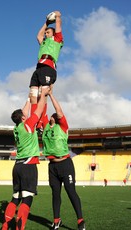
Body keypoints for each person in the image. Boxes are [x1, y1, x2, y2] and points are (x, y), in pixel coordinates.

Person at [1, 86, 50, 230]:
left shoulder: (16, 129)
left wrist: (29, 99)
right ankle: (19, 228)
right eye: (24, 114)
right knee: (27, 199)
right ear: (23, 118)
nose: (26, 114)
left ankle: (5, 225)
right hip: (28, 165)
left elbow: (24, 113)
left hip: (17, 166)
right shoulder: (28, 124)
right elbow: (39, 109)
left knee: (15, 197)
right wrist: (43, 96)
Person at [41, 91, 85, 230]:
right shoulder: (45, 126)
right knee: (55, 194)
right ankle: (56, 220)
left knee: (71, 191)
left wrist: (51, 95)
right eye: (52, 115)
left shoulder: (63, 126)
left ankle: (80, 221)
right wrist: (44, 95)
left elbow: (59, 111)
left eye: (55, 115)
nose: (54, 115)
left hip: (65, 164)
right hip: (52, 166)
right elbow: (42, 109)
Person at [29, 10, 63, 130]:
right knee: (33, 95)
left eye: (47, 32)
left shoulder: (57, 39)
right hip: (38, 68)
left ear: (53, 34)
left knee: (43, 95)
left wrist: (57, 16)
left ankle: (42, 122)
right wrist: (46, 23)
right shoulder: (43, 42)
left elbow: (58, 25)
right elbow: (38, 35)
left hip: (49, 68)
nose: (45, 33)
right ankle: (34, 120)